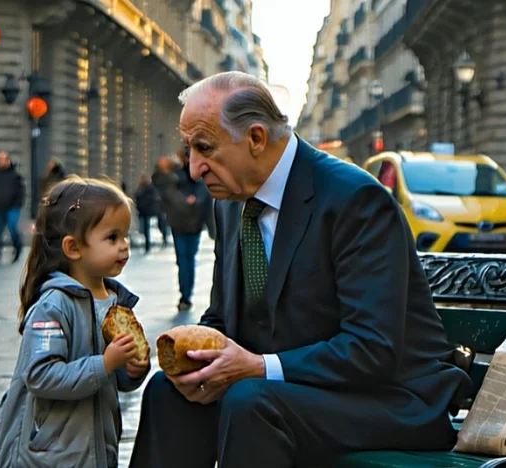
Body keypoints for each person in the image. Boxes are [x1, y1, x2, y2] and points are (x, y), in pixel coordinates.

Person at [130, 71, 471, 468]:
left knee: (250, 401)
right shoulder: (229, 202)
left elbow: (372, 348)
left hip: (389, 397)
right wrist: (196, 357)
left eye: (204, 148)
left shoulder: (355, 199)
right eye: (188, 149)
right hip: (286, 393)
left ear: (256, 138)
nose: (193, 168)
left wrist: (259, 367)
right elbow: (224, 318)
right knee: (167, 391)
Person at [0, 176, 150, 468]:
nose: (124, 247)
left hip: (97, 450)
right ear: (73, 248)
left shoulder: (116, 303)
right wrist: (105, 363)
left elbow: (115, 378)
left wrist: (132, 370)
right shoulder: (53, 306)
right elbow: (40, 375)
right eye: (112, 238)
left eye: (125, 236)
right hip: (50, 455)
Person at [152, 150, 214, 311]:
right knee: (183, 260)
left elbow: (206, 199)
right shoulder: (174, 176)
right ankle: (185, 295)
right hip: (179, 224)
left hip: (194, 225)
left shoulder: (201, 178)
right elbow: (165, 191)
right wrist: (186, 202)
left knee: (189, 259)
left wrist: (211, 226)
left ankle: (187, 295)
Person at [0, 151, 26, 265]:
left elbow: (21, 192)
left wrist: (18, 203)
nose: (0, 161)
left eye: (2, 159)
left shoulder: (16, 176)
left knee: (12, 226)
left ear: (8, 161)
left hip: (12, 207)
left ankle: (17, 246)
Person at [134, 174, 162, 253]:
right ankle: (147, 245)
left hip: (147, 211)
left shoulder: (150, 188)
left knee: (146, 229)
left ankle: (148, 245)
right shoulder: (141, 187)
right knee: (144, 229)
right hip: (142, 211)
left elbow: (152, 198)